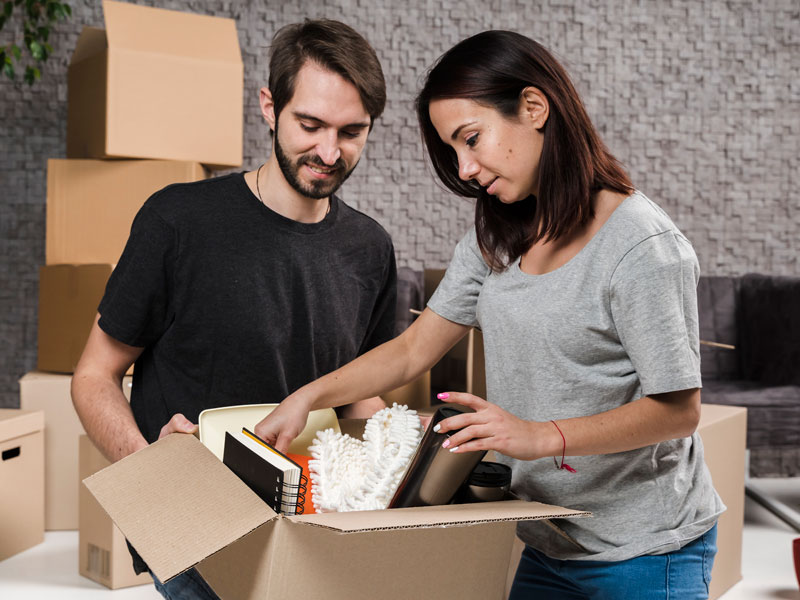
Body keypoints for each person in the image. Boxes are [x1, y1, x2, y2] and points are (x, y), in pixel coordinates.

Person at [255, 30, 723, 600]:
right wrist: (308, 397)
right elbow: (411, 350)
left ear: (533, 107)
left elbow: (678, 411)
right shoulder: (497, 238)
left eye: (471, 139)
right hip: (549, 538)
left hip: (645, 551)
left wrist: (534, 436)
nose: (466, 168)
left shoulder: (641, 247)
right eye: (453, 151)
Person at [71, 19, 396, 600]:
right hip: (194, 529)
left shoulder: (370, 248)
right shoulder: (177, 220)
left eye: (352, 131)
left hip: (316, 527)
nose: (329, 151)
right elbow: (93, 376)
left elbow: (356, 388)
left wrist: (410, 455)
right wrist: (149, 469)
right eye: (310, 124)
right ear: (270, 107)